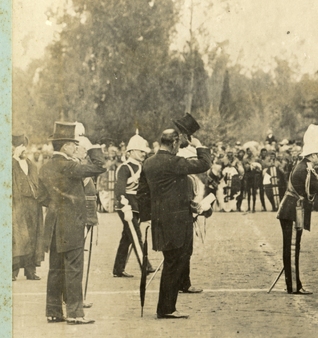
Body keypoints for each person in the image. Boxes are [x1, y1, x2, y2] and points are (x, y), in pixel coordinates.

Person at [138, 125, 211, 319]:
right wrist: (198, 145)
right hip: (178, 222)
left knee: (172, 261)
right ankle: (166, 308)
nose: (179, 148)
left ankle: (166, 307)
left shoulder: (148, 163)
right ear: (174, 143)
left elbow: (142, 193)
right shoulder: (175, 162)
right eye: (178, 145)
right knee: (175, 262)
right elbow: (204, 164)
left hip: (160, 220)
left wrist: (146, 218)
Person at [39, 122, 106, 324]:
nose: (77, 148)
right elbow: (99, 166)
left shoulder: (45, 167)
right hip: (72, 224)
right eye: (74, 144)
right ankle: (75, 314)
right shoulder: (70, 166)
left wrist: (58, 205)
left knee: (55, 269)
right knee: (74, 268)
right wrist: (92, 147)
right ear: (66, 146)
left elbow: (41, 197)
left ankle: (53, 311)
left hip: (54, 224)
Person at [276, 125, 318, 294]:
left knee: (293, 248)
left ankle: (294, 284)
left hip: (293, 211)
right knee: (292, 249)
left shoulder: (305, 167)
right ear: (312, 155)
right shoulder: (304, 170)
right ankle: (293, 286)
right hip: (292, 211)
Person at [113, 133, 153, 278]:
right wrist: (125, 205)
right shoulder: (125, 168)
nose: (143, 154)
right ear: (132, 151)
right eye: (141, 151)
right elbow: (119, 190)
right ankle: (145, 265)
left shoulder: (143, 167)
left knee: (127, 237)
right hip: (126, 206)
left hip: (137, 205)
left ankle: (118, 268)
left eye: (144, 151)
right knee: (136, 234)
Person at [12, 132, 45, 281]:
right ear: (14, 148)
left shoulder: (31, 165)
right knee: (18, 237)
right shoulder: (9, 164)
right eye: (20, 146)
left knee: (33, 236)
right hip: (17, 205)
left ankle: (30, 271)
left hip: (33, 205)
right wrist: (14, 159)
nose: (23, 149)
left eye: (25, 146)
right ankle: (12, 271)